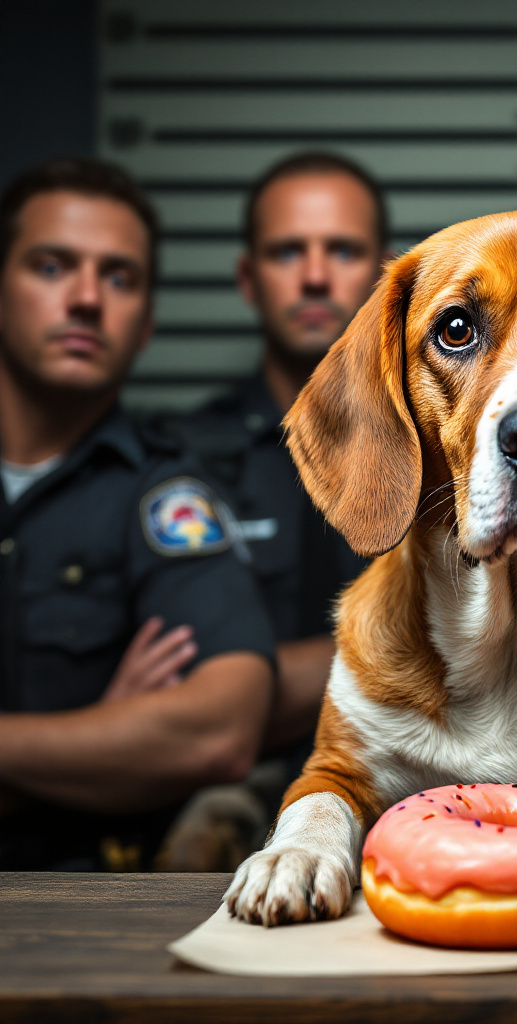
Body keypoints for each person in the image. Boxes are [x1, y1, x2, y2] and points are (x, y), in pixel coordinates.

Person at [0, 158, 276, 870]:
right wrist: (94, 740)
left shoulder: (167, 496)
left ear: (148, 321)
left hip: (77, 907)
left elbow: (219, 729)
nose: (87, 299)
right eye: (52, 266)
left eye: (119, 277)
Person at [153, 154, 385, 869]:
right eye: (289, 251)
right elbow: (189, 706)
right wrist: (420, 653)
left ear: (386, 278)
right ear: (249, 279)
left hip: (422, 792)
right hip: (227, 808)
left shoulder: (447, 447)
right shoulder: (178, 458)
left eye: (342, 250)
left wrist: (254, 678)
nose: (315, 277)